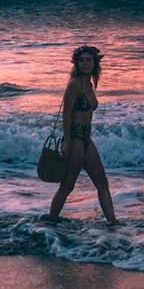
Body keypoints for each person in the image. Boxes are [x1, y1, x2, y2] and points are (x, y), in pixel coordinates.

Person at [47, 43, 118, 227]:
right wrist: (68, 143)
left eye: (88, 60)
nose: (85, 63)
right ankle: (50, 222)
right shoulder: (75, 84)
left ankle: (113, 223)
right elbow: (66, 115)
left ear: (95, 63)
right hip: (75, 138)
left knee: (102, 182)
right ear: (76, 64)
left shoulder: (89, 84)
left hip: (86, 137)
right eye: (81, 60)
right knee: (67, 186)